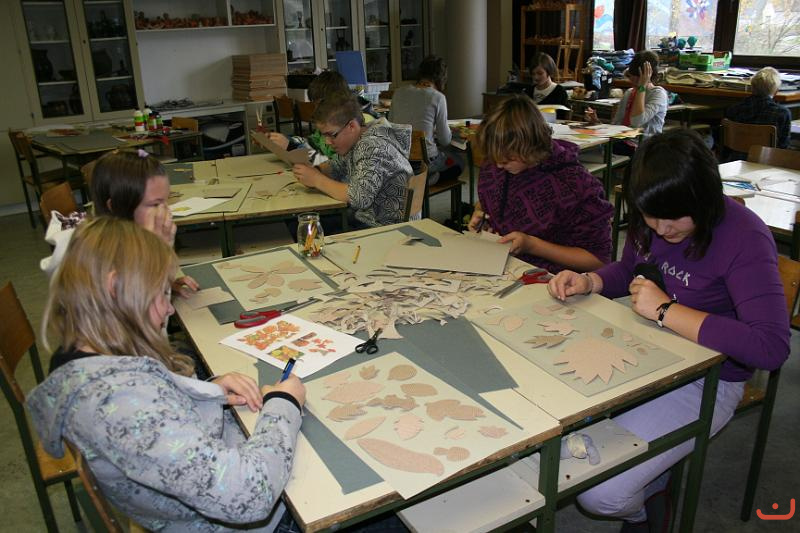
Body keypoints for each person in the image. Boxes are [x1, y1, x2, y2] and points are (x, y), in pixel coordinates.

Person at [548, 130, 790, 532]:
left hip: (711, 378)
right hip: (647, 349)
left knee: (599, 493)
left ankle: (649, 505)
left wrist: (666, 311)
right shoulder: (655, 218)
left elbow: (770, 347)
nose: (661, 229)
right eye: (649, 216)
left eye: (674, 217)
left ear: (704, 200)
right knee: (548, 439)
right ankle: (655, 475)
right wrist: (590, 281)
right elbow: (631, 269)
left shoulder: (745, 237)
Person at [27, 217, 306, 532]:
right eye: (161, 294)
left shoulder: (91, 363)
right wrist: (283, 404)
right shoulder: (117, 404)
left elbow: (159, 418)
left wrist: (204, 391)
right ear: (115, 288)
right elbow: (249, 495)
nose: (169, 309)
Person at [467, 94, 613, 274]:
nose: (498, 165)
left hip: (555, 278)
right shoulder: (498, 164)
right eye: (495, 158)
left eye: (506, 159)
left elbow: (598, 260)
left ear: (530, 147)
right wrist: (481, 213)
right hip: (501, 264)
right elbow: (492, 199)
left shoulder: (575, 185)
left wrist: (532, 245)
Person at [40, 149, 199, 298]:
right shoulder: (94, 260)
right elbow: (138, 309)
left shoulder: (124, 237)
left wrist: (166, 284)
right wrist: (160, 252)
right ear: (116, 207)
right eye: (155, 204)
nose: (166, 211)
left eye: (166, 201)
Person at [292, 92, 413, 229]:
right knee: (300, 223)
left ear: (352, 126)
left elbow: (358, 197)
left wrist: (316, 179)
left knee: (300, 226)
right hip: (367, 218)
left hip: (384, 227)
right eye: (324, 135)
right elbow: (335, 167)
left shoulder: (371, 146)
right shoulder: (356, 139)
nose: (327, 142)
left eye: (331, 135)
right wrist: (315, 171)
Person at [263, 71, 376, 162]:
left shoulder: (359, 126)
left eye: (320, 105)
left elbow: (333, 162)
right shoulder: (331, 123)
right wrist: (284, 141)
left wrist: (290, 147)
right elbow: (314, 142)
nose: (316, 110)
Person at [389, 55, 463, 184]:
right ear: (441, 78)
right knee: (459, 162)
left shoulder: (398, 92)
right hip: (424, 162)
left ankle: (415, 178)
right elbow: (445, 140)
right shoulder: (438, 97)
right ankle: (429, 179)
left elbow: (390, 126)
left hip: (399, 160)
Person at [585, 50, 667, 154]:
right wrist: (597, 122)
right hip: (621, 141)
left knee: (594, 150)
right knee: (588, 145)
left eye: (637, 77)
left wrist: (642, 87)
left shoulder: (658, 93)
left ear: (647, 76)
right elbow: (616, 125)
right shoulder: (629, 92)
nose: (632, 80)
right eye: (631, 76)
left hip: (642, 147)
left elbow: (636, 121)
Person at [725, 66, 791, 159]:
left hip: (736, 159)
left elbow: (725, 142)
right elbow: (783, 146)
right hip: (767, 160)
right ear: (776, 91)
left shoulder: (734, 109)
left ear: (752, 87)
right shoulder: (782, 113)